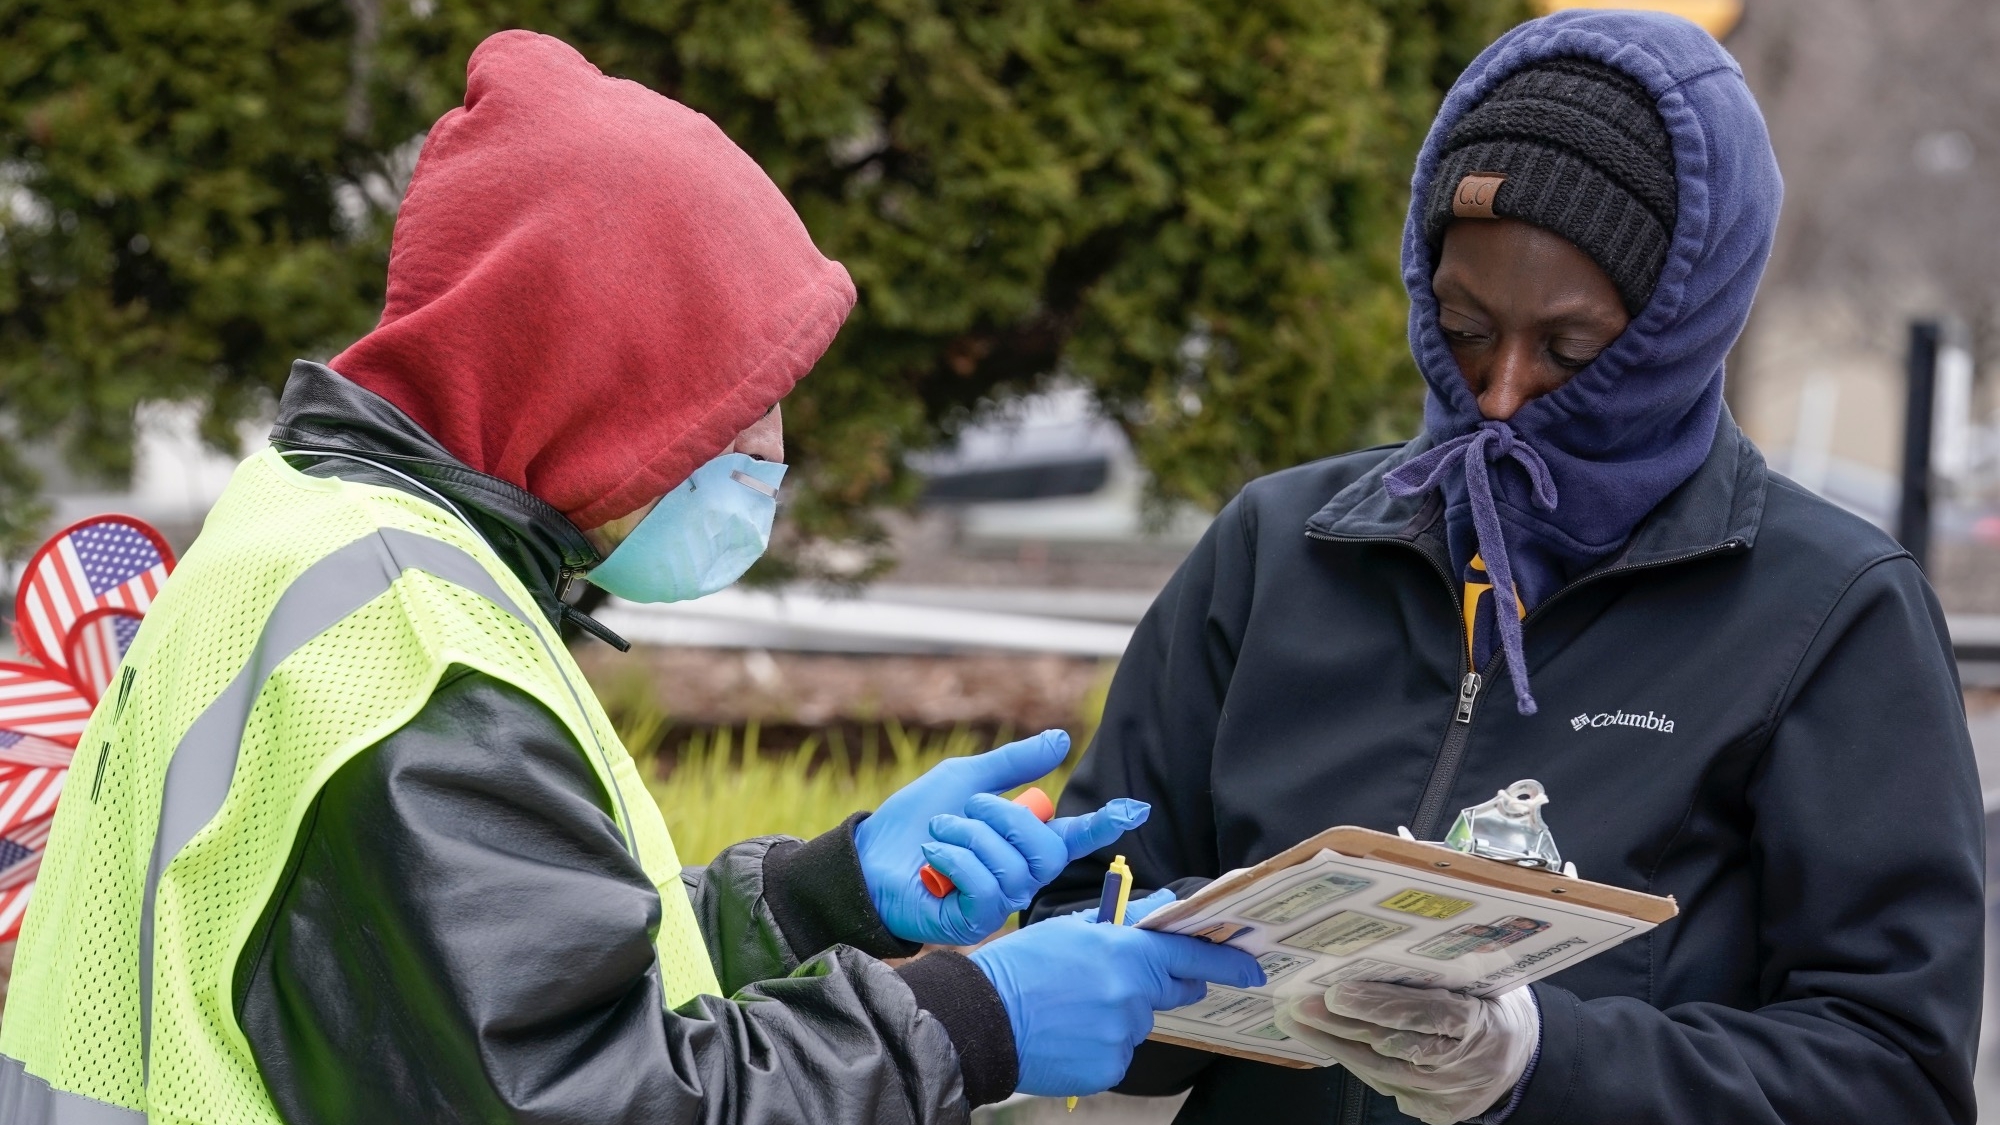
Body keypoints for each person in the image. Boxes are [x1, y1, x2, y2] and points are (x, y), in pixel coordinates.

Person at [0, 31, 1264, 1125]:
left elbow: (480, 990)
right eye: (742, 408)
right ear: (599, 377)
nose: (772, 458)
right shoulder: (414, 659)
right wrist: (973, 1021)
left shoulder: (324, 530)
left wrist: (827, 890)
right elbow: (596, 1096)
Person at [1032, 10, 1981, 1125]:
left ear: (1682, 322)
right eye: (1462, 326)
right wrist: (1165, 957)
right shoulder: (1277, 547)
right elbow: (1088, 912)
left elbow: (1890, 1076)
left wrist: (1538, 1064)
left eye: (1571, 349)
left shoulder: (1828, 610)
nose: (1498, 392)